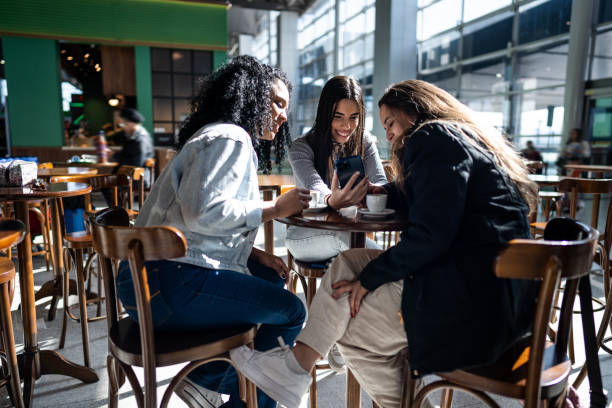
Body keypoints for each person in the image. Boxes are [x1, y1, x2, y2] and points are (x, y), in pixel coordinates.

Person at [230, 80, 539, 408]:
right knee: (347, 264)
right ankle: (295, 368)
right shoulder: (458, 139)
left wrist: (372, 277)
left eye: (390, 123)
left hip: (472, 301)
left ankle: (305, 373)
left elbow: (432, 233)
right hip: (494, 290)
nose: (388, 134)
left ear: (414, 112)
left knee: (347, 324)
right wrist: (378, 193)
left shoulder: (431, 137)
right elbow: (429, 199)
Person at [116, 56, 310, 408]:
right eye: (278, 103)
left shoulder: (215, 135)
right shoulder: (231, 137)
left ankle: (207, 382)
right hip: (168, 284)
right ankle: (230, 392)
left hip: (145, 284)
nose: (284, 115)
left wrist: (251, 254)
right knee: (293, 312)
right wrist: (276, 209)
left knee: (270, 278)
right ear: (251, 96)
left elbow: (188, 220)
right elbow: (205, 213)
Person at [286, 76, 387, 262]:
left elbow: (381, 183)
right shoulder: (301, 147)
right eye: (338, 117)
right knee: (378, 259)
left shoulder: (365, 141)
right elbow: (315, 185)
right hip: (304, 233)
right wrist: (332, 200)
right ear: (325, 114)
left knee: (358, 255)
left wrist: (374, 189)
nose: (346, 126)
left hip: (350, 230)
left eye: (354, 117)